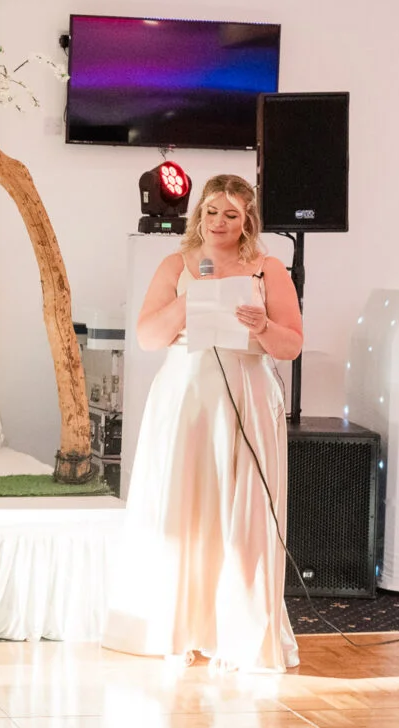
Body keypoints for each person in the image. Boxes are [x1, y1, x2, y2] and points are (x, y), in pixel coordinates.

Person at [103, 174, 304, 673]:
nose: (219, 223)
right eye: (212, 211)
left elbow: (291, 345)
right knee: (183, 505)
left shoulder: (268, 268)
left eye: (231, 215)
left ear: (247, 221)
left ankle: (236, 631)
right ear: (199, 214)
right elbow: (149, 337)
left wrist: (262, 325)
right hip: (187, 397)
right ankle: (179, 626)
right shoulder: (177, 264)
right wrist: (188, 301)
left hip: (246, 395)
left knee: (240, 510)